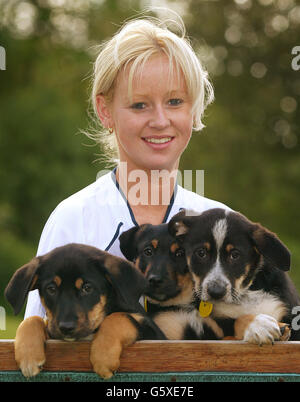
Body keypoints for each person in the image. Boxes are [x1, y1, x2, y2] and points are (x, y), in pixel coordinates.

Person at [24, 12, 231, 319]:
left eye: (175, 101)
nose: (160, 121)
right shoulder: (74, 219)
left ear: (195, 109)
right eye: (139, 105)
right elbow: (38, 347)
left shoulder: (223, 224)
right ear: (105, 111)